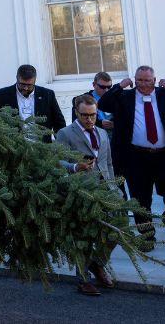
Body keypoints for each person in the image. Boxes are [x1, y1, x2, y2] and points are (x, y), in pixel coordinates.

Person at [97, 65, 165, 248]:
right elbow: (103, 104)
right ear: (134, 80)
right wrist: (119, 86)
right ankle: (147, 235)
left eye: (147, 80)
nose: (142, 84)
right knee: (140, 198)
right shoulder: (125, 97)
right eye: (139, 80)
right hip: (136, 155)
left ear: (155, 80)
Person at [55, 95, 117, 295]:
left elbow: (107, 163)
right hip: (80, 191)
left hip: (105, 190)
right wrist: (75, 167)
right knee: (82, 235)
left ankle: (97, 264)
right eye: (85, 116)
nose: (90, 119)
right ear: (76, 112)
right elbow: (55, 161)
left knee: (116, 230)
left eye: (93, 115)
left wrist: (113, 188)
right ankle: (83, 279)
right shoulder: (65, 133)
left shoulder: (102, 132)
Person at [0, 64, 65, 139]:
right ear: (17, 78)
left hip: (43, 147)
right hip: (13, 147)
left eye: (29, 85)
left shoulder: (48, 95)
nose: (26, 88)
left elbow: (59, 123)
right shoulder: (2, 95)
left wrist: (60, 145)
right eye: (22, 84)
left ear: (35, 80)